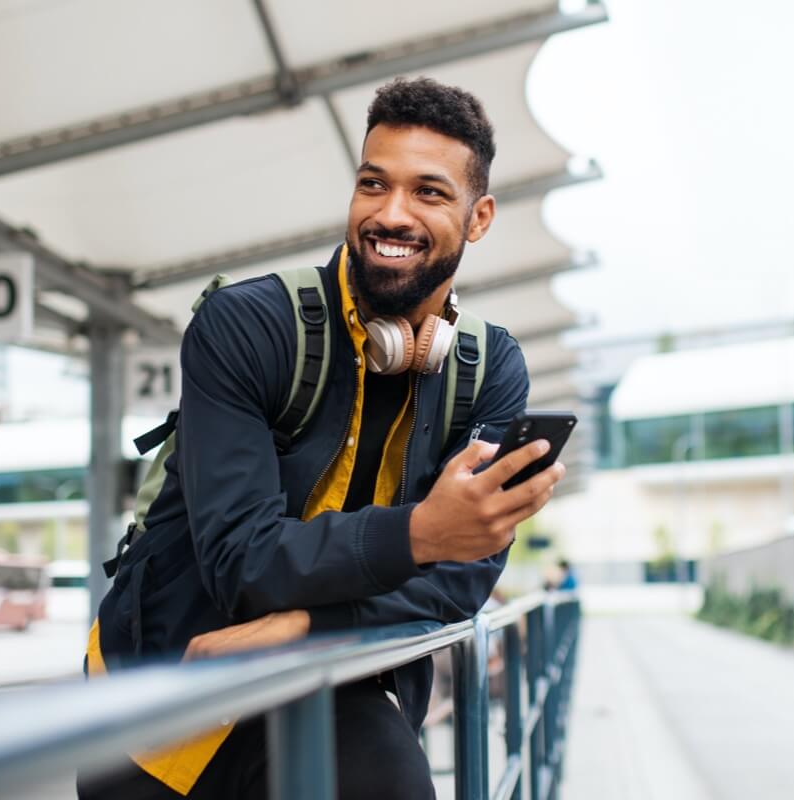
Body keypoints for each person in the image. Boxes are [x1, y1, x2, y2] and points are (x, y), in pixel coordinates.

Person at [78, 77, 566, 800]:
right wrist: (424, 533)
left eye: (429, 192)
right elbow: (241, 564)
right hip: (169, 685)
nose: (390, 213)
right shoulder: (246, 327)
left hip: (334, 674)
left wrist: (308, 625)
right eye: (374, 184)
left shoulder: (491, 371)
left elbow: (464, 578)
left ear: (479, 216)